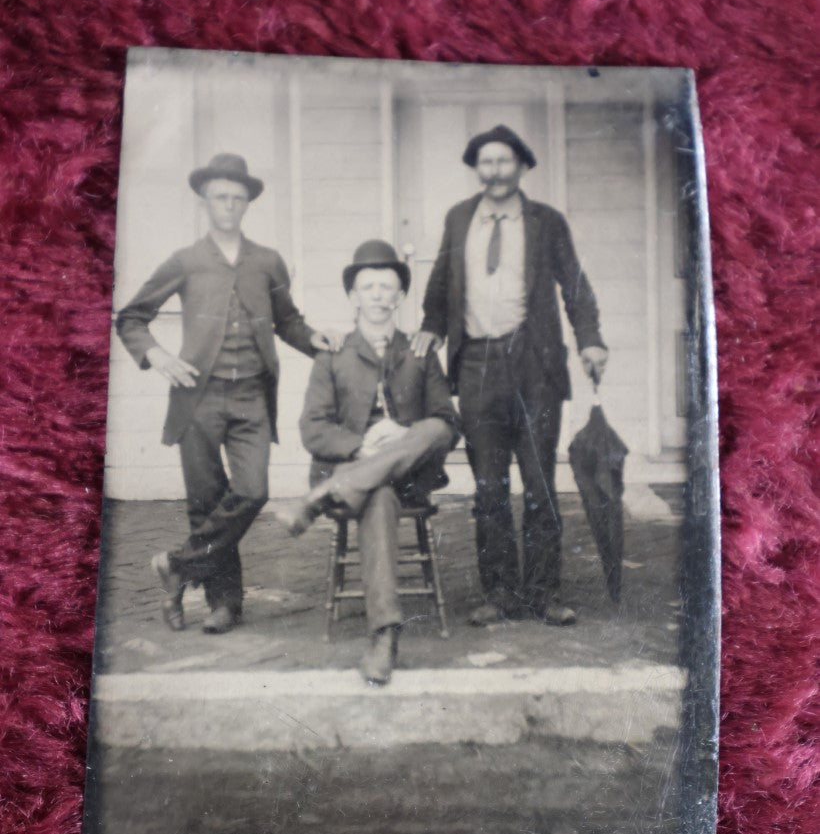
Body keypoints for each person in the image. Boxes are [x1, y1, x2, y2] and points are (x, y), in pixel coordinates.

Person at [116, 153, 342, 634]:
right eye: (221, 197)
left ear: (247, 204)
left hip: (251, 397)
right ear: (205, 200)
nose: (229, 206)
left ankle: (177, 566)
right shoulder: (186, 260)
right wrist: (157, 357)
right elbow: (131, 317)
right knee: (206, 503)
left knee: (251, 490)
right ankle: (224, 605)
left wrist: (313, 340)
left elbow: (288, 322)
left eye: (238, 199)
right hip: (197, 397)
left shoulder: (267, 261)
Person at [412, 125, 608, 628]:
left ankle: (544, 593)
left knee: (539, 484)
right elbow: (439, 282)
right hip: (476, 364)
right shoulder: (459, 219)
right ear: (477, 169)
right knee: (490, 488)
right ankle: (498, 594)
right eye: (486, 162)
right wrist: (431, 329)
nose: (494, 171)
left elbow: (576, 285)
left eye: (503, 161)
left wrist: (589, 338)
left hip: (534, 365)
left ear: (521, 167)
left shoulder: (546, 222)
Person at [277, 240, 459, 686]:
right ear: (353, 296)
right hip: (353, 471)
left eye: (387, 287)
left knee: (435, 429)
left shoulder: (420, 350)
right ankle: (384, 634)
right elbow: (312, 429)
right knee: (376, 495)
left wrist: (402, 434)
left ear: (399, 297)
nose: (378, 295)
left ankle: (320, 499)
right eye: (368, 287)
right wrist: (361, 448)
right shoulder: (333, 352)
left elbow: (447, 424)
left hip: (410, 475)